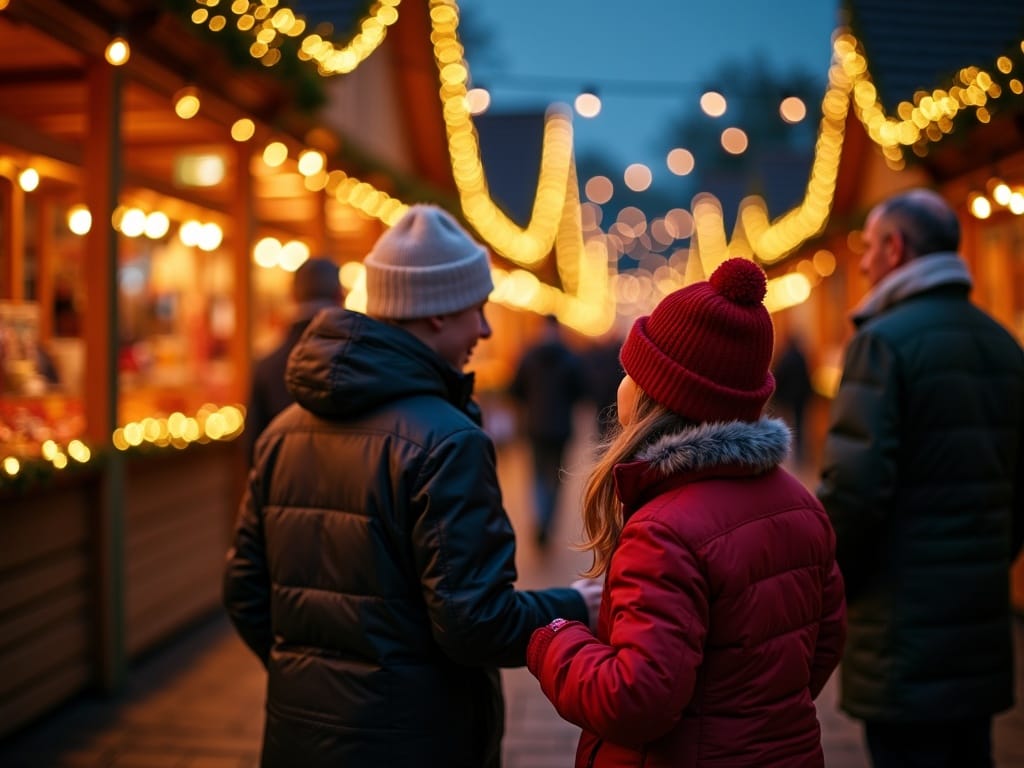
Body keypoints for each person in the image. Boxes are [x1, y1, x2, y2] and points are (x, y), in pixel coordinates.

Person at [223, 204, 602, 768]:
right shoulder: (449, 441)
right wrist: (575, 605)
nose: (486, 328)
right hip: (418, 740)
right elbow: (476, 623)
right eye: (476, 308)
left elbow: (243, 590)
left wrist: (308, 677)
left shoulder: (282, 432)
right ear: (433, 314)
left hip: (298, 737)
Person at [526, 258, 847, 767]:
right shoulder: (802, 504)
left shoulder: (662, 531)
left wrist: (555, 642)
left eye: (630, 372)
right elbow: (825, 643)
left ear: (656, 394)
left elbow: (634, 699)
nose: (621, 383)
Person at [817, 188, 1024, 768]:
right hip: (979, 616)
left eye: (867, 247)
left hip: (900, 624)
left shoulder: (882, 344)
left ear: (896, 248)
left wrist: (833, 584)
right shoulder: (1003, 345)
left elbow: (854, 496)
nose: (860, 263)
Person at [244, 256, 343, 460]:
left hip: (282, 485)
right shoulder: (358, 360)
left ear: (293, 296)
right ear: (339, 295)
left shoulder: (267, 366)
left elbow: (252, 447)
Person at [510, 313, 586, 546]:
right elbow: (581, 391)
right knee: (557, 478)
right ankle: (548, 520)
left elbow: (514, 390)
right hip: (561, 427)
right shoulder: (570, 357)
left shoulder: (528, 355)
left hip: (535, 426)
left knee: (537, 476)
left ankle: (540, 517)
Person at [771, 333, 813, 464]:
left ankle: (788, 450)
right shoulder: (801, 357)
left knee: (787, 424)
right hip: (800, 397)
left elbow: (779, 376)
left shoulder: (785, 357)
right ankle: (800, 452)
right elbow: (807, 377)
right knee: (800, 425)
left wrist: (777, 396)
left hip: (787, 397)